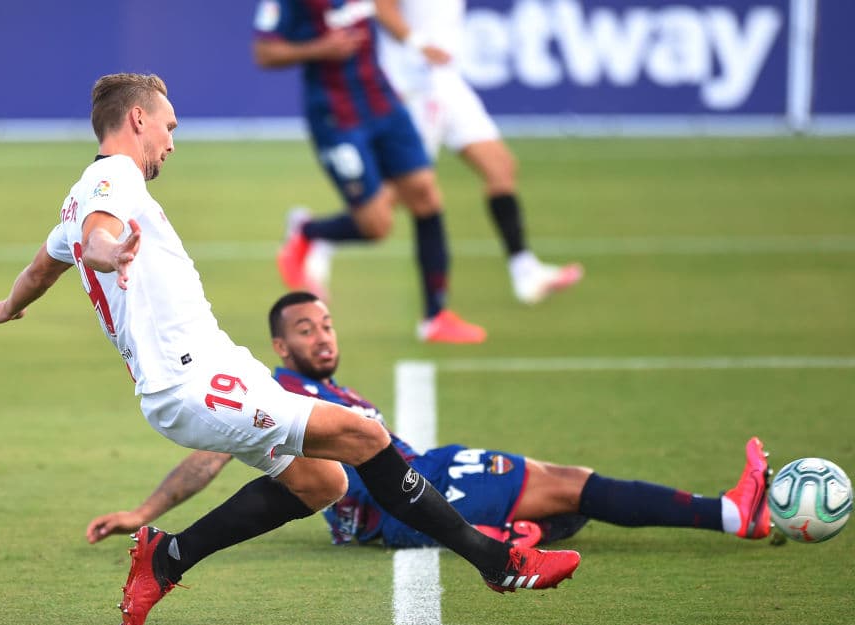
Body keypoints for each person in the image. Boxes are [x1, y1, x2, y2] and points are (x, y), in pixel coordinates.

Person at [0, 73, 580, 625]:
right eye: (169, 127)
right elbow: (94, 235)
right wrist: (107, 252)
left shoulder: (80, 198)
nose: (172, 143)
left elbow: (44, 265)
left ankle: (166, 558)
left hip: (213, 371)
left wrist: (10, 305)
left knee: (323, 481)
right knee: (364, 435)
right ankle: (497, 562)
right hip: (192, 383)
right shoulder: (110, 179)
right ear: (139, 120)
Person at [86, 291, 773, 553]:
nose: (321, 337)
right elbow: (213, 452)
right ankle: (730, 513)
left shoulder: (332, 386)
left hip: (422, 471)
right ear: (281, 346)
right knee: (570, 483)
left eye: (326, 323)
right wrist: (143, 509)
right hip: (400, 499)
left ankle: (520, 531)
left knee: (566, 499)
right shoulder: (275, 388)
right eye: (304, 329)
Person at [252, 0, 487, 344]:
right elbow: (264, 53)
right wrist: (320, 48)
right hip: (336, 116)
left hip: (382, 100)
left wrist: (419, 45)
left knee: (424, 192)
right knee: (376, 226)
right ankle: (308, 231)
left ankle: (435, 316)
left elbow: (385, 11)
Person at [374, 0, 583, 305]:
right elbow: (382, 7)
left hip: (446, 78)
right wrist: (419, 43)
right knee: (408, 188)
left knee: (500, 166)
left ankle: (525, 271)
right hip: (414, 81)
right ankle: (316, 237)